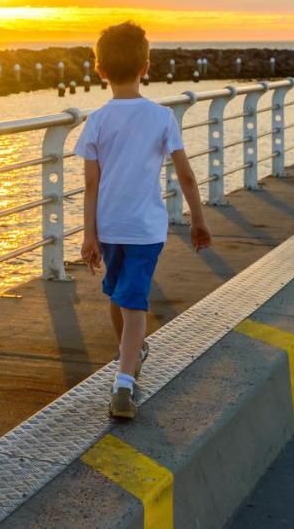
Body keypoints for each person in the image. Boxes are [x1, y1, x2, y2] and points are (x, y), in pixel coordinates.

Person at [74, 21, 212, 419]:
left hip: (110, 225)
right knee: (124, 296)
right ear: (146, 67)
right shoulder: (162, 116)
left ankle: (125, 373)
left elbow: (90, 185)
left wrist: (90, 235)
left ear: (99, 70)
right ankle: (126, 370)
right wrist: (198, 219)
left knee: (126, 298)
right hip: (146, 228)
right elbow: (185, 174)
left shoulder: (97, 120)